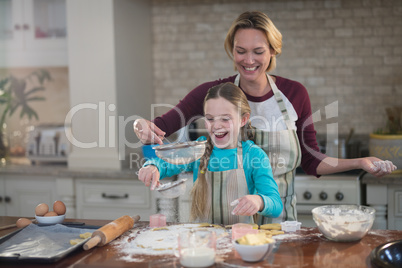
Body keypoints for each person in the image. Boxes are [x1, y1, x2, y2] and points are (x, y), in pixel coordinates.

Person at [134, 11, 397, 223]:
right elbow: (158, 130)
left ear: (273, 51)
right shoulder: (213, 94)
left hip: (279, 224)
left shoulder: (294, 94)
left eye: (258, 51)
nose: (248, 60)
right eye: (240, 50)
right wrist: (142, 130)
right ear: (232, 51)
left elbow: (311, 160)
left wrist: (360, 162)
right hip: (221, 232)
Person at [138, 82, 283, 225]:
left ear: (243, 119)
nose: (216, 125)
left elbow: (276, 205)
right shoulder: (198, 149)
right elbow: (166, 163)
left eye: (225, 119)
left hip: (240, 242)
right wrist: (152, 167)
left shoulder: (254, 156)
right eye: (210, 118)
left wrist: (259, 201)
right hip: (202, 241)